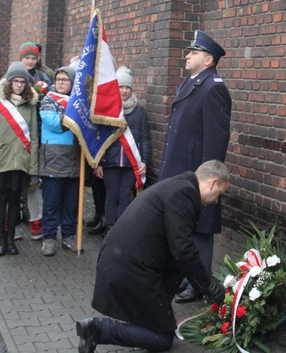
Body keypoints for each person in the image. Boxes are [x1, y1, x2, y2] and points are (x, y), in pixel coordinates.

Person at [76, 160, 229, 353]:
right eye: (219, 194)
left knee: (159, 326)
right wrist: (208, 285)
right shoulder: (185, 192)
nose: (216, 201)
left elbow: (176, 251)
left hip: (126, 261)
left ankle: (107, 329)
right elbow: (182, 249)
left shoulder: (179, 185)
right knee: (162, 338)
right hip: (131, 268)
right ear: (213, 183)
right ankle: (98, 329)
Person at [160, 30, 232, 304]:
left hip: (196, 174)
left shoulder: (213, 88)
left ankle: (199, 284)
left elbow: (215, 139)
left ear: (208, 59)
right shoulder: (192, 82)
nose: (188, 55)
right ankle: (183, 277)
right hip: (181, 170)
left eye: (194, 52)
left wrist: (208, 179)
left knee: (200, 228)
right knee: (182, 226)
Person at [0, 62, 40, 256]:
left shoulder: (29, 106)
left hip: (20, 160)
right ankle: (1, 240)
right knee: (1, 200)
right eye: (16, 81)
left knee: (15, 201)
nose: (19, 85)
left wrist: (33, 168)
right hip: (0, 159)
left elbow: (34, 137)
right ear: (9, 83)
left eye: (23, 82)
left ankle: (12, 239)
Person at [93, 66, 151, 233]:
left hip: (130, 162)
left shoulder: (140, 112)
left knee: (125, 196)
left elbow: (145, 139)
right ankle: (110, 229)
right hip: (110, 162)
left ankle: (122, 231)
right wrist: (98, 162)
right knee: (111, 196)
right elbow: (100, 138)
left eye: (127, 87)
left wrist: (145, 161)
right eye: (121, 87)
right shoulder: (107, 111)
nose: (124, 90)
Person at [39, 65, 82, 256]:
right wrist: (77, 117)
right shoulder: (48, 100)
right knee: (51, 204)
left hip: (74, 160)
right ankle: (48, 238)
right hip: (53, 159)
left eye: (65, 80)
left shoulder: (79, 103)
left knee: (70, 204)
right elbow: (54, 124)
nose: (61, 83)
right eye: (59, 80)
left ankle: (69, 236)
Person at [18, 42, 50, 239]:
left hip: (38, 133)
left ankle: (35, 219)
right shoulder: (13, 77)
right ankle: (16, 215)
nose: (30, 61)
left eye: (33, 58)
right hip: (18, 134)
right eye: (26, 58)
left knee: (34, 181)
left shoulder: (44, 79)